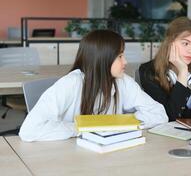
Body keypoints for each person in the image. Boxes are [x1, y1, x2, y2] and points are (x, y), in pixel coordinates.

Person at [19, 30, 168, 142]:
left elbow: (159, 114)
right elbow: (29, 130)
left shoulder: (123, 81)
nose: (126, 62)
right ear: (102, 59)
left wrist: (119, 123)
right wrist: (84, 127)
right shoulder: (71, 83)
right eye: (120, 56)